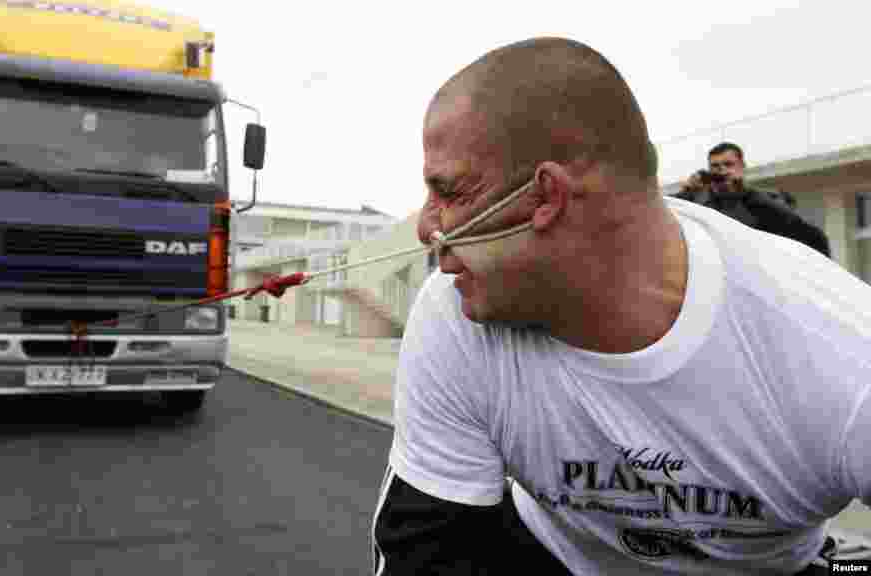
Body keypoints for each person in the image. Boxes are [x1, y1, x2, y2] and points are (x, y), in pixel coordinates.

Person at [371, 37, 870, 575]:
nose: (427, 228)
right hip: (547, 556)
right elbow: (427, 552)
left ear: (548, 197)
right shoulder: (458, 310)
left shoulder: (844, 353)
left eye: (448, 192)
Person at [673, 142, 831, 257]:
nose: (722, 170)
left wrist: (742, 189)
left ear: (742, 166)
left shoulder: (767, 199)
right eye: (715, 166)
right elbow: (663, 217)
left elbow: (796, 227)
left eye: (728, 164)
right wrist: (687, 192)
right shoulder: (702, 206)